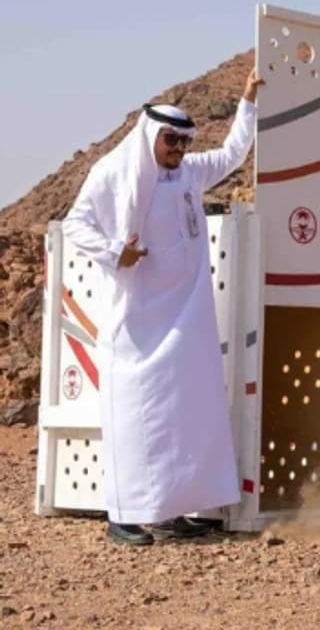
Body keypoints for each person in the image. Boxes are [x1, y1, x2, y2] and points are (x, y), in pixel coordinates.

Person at [62, 69, 263, 545]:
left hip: (186, 320)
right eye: (171, 139)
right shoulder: (112, 173)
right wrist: (116, 252)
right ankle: (123, 515)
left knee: (183, 415)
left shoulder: (189, 173)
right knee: (137, 418)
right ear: (150, 134)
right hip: (137, 322)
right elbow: (75, 225)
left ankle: (171, 512)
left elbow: (234, 153)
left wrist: (249, 99)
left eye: (184, 141)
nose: (179, 149)